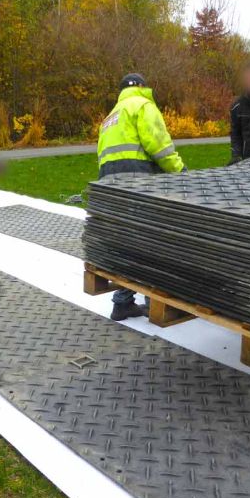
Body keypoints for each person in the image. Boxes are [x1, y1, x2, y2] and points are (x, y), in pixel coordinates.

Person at [97, 73, 185, 321]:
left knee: (127, 243)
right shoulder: (142, 105)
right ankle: (155, 303)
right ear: (143, 87)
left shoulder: (110, 116)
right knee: (150, 241)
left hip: (110, 183)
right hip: (138, 180)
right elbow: (159, 145)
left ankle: (122, 303)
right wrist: (180, 172)